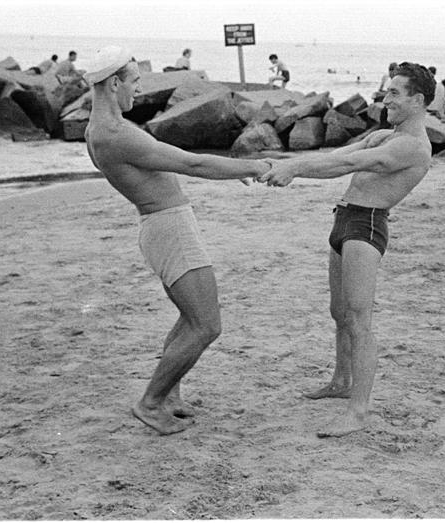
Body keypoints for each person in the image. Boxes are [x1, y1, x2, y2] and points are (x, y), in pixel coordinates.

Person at [82, 46, 270, 435]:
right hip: (170, 229)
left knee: (190, 316)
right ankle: (151, 402)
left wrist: (230, 169)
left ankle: (168, 396)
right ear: (114, 83)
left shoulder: (96, 129)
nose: (138, 89)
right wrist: (253, 166)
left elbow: (175, 163)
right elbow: (190, 163)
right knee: (206, 325)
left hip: (162, 226)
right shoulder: (115, 134)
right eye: (134, 81)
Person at [258, 62, 436, 438]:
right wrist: (282, 164)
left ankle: (358, 412)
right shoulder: (385, 135)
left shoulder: (412, 146)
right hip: (345, 218)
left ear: (418, 100)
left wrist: (295, 171)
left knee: (358, 320)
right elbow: (338, 154)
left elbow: (348, 164)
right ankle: (341, 381)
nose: (385, 99)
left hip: (366, 226)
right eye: (386, 91)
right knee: (338, 313)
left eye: (394, 93)